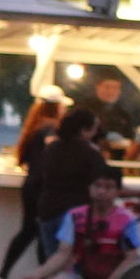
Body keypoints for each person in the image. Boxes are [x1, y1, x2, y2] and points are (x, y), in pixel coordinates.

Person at [0, 93, 63, 279]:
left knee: (29, 231)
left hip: (30, 184)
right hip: (43, 186)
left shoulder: (34, 127)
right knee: (43, 232)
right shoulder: (51, 128)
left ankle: (4, 273)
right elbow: (50, 156)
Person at [35, 108, 108, 259]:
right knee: (71, 260)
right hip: (76, 211)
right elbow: (104, 181)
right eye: (94, 129)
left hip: (48, 208)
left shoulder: (51, 149)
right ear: (84, 130)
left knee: (52, 258)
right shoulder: (91, 154)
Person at [80, 73, 136, 142]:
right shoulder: (84, 109)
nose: (111, 91)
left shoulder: (122, 114)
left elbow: (130, 136)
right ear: (97, 87)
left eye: (115, 88)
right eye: (107, 87)